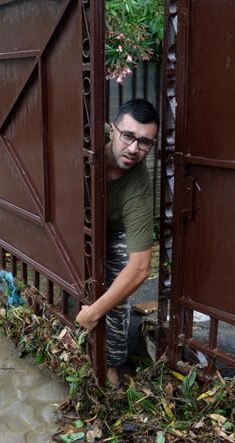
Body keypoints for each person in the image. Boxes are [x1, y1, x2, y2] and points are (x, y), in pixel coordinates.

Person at [76, 99, 159, 386]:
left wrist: (94, 312)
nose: (135, 149)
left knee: (117, 297)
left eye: (145, 142)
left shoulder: (139, 189)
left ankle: (112, 365)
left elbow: (139, 268)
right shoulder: (85, 136)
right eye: (128, 136)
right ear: (111, 130)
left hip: (113, 231)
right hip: (75, 220)